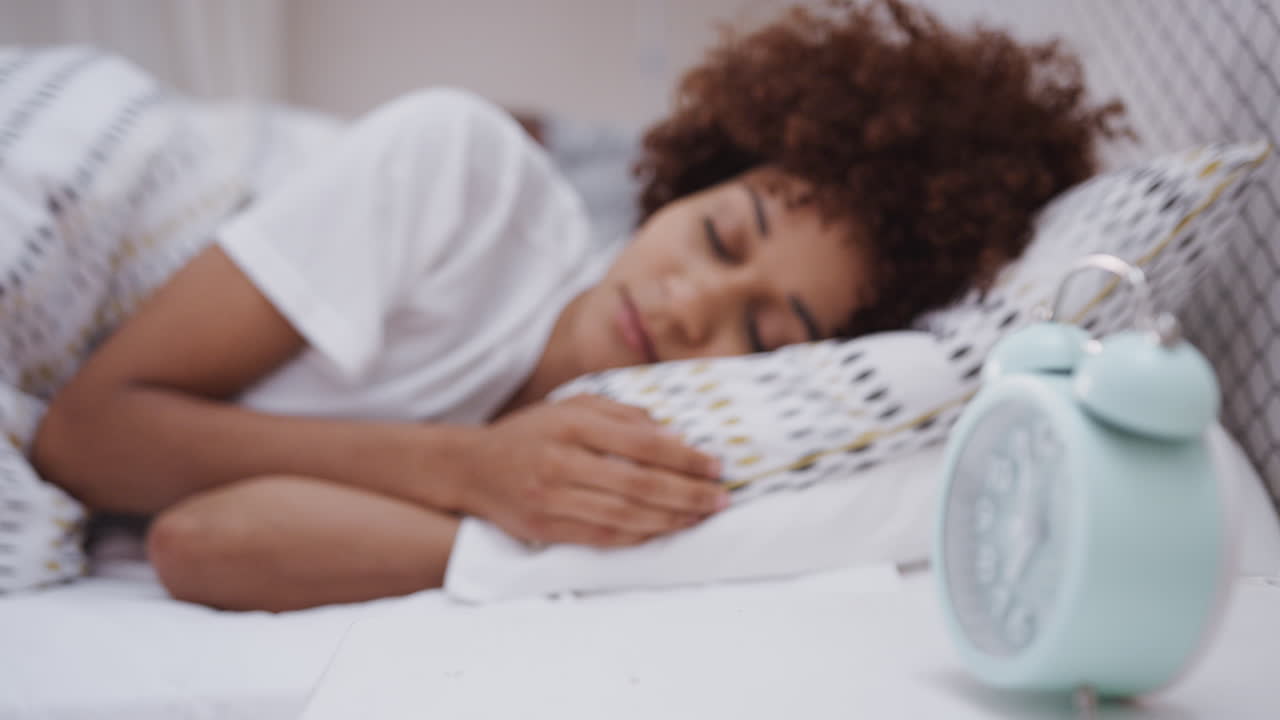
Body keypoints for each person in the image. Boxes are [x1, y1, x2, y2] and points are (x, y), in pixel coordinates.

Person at [30, 0, 1122, 611]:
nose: (691, 306)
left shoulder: (640, 458)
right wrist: (467, 470)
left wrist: (499, 510)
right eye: (718, 235)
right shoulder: (457, 168)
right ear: (685, 183)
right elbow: (85, 433)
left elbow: (197, 542)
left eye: (763, 331)